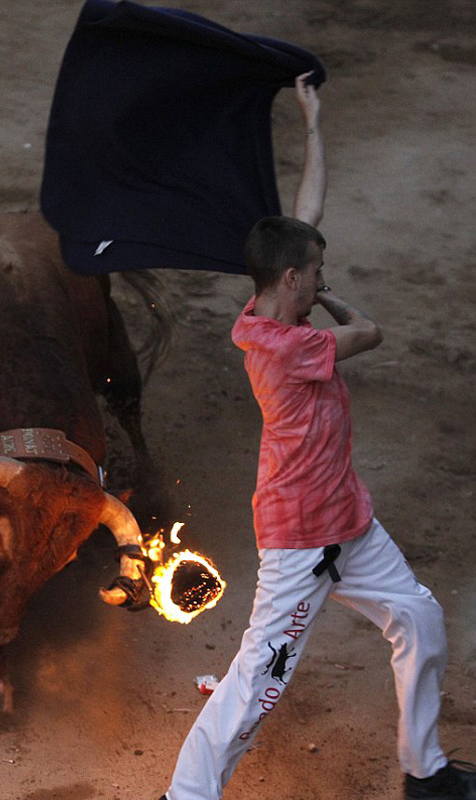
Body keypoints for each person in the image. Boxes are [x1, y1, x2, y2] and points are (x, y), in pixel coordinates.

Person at [158, 76, 476, 800]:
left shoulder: (276, 301)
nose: (321, 278)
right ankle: (185, 795)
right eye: (315, 274)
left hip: (348, 521)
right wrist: (334, 298)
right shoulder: (284, 345)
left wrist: (311, 124)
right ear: (295, 281)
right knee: (259, 681)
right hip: (300, 540)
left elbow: (304, 218)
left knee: (418, 618)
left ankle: (424, 774)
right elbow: (370, 332)